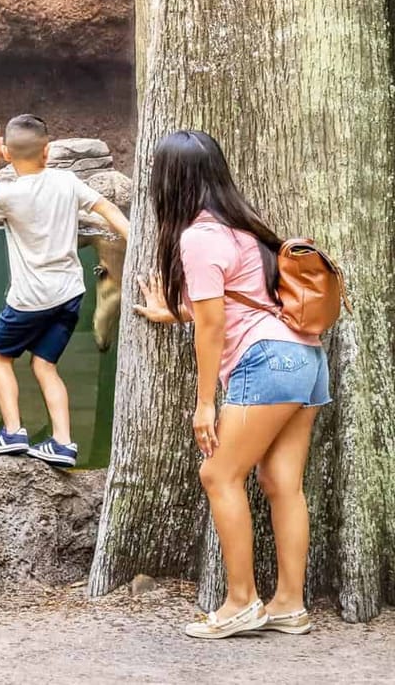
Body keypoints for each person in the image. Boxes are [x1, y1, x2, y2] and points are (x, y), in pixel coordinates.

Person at [134, 129, 329, 639]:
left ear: (169, 182)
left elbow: (214, 325)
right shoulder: (248, 228)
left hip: (263, 363)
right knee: (281, 482)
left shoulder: (198, 236)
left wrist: (205, 404)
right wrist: (171, 311)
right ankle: (289, 604)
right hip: (305, 359)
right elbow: (230, 301)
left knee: (218, 476)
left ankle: (242, 602)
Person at [0, 116, 129, 466]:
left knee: (0, 357)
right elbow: (109, 209)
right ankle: (63, 442)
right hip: (70, 293)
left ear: (8, 154)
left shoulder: (7, 194)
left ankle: (12, 432)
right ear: (49, 150)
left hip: (29, 299)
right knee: (45, 364)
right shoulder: (66, 181)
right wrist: (137, 242)